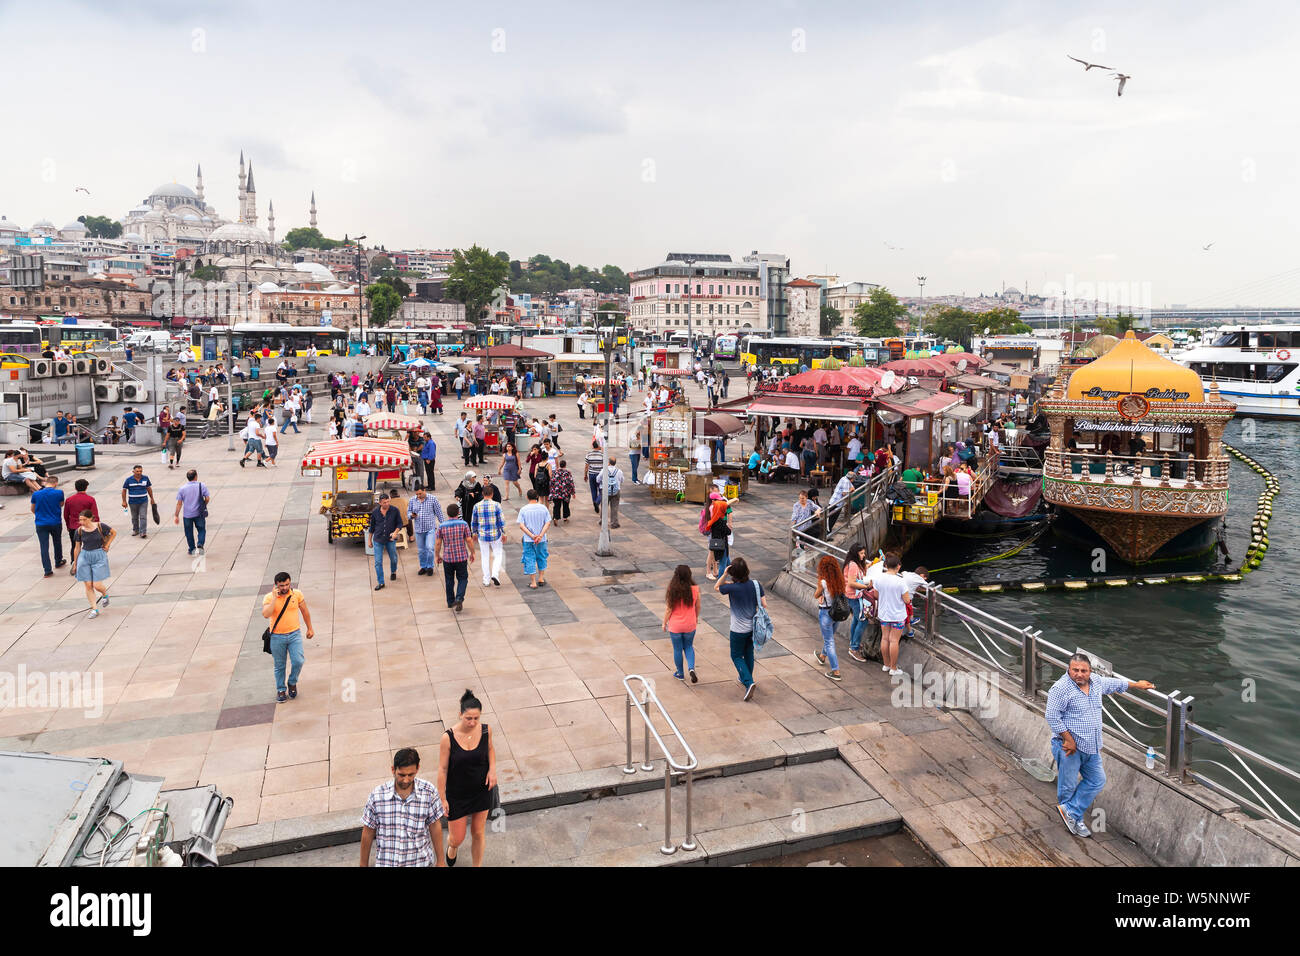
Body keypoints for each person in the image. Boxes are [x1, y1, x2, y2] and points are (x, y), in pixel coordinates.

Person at [1046, 654, 1155, 838]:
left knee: (1097, 780)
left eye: (1084, 671)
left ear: (1090, 671)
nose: (1079, 674)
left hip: (1092, 746)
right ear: (1069, 669)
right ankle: (1073, 819)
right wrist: (1068, 739)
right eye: (1075, 670)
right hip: (1069, 747)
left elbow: (1114, 684)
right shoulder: (1060, 689)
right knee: (1068, 786)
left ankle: (1070, 812)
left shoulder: (1096, 682)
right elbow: (1052, 716)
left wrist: (1136, 685)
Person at [437, 689, 497, 867]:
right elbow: (442, 769)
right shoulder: (448, 738)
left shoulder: (486, 731)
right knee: (457, 838)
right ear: (460, 715)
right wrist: (442, 798)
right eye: (468, 718)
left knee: (479, 832)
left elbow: (491, 750)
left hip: (481, 789)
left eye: (476, 718)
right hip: (457, 794)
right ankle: (452, 847)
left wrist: (492, 769)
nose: (472, 722)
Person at [360, 746, 447, 867]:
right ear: (393, 770)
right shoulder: (377, 796)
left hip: (420, 863)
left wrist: (441, 861)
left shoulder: (429, 792)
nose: (406, 780)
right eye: (401, 775)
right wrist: (363, 864)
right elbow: (368, 832)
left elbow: (435, 826)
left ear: (418, 769)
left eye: (410, 775)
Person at [716, 557, 766, 700]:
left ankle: (748, 682)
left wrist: (724, 574)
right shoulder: (756, 584)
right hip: (753, 628)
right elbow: (764, 604)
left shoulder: (731, 587)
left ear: (733, 572)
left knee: (736, 655)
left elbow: (717, 587)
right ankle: (747, 678)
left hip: (737, 630)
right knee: (749, 653)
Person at [262, 572, 313, 702]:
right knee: (279, 665)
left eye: (287, 584)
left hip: (294, 634)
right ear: (276, 586)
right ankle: (281, 689)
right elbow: (266, 614)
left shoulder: (297, 594)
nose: (285, 588)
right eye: (281, 585)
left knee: (298, 661)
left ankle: (292, 682)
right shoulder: (268, 597)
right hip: (277, 637)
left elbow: (305, 611)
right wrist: (274, 598)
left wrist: (309, 628)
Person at [872, 552, 911, 677]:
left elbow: (876, 595)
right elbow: (907, 600)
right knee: (894, 641)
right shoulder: (901, 582)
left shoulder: (878, 578)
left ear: (886, 565)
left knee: (885, 638)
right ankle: (893, 668)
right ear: (898, 567)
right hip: (897, 615)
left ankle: (886, 664)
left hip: (884, 613)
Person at [71, 509, 115, 618]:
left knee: (97, 585)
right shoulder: (79, 531)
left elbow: (114, 533)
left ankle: (105, 595)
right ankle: (94, 609)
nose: (82, 522)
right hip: (84, 557)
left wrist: (108, 544)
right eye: (80, 520)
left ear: (90, 518)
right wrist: (75, 563)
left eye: (84, 520)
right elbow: (77, 548)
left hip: (99, 555)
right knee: (88, 585)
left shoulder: (100, 526)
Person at [662, 565, 701, 683]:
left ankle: (680, 672)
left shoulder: (672, 589)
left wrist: (664, 623)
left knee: (677, 649)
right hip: (690, 624)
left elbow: (669, 609)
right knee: (689, 647)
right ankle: (691, 668)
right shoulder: (695, 589)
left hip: (676, 626)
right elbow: (698, 606)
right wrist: (696, 618)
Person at [435, 502, 476, 611]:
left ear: (447, 514)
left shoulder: (442, 526)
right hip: (461, 557)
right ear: (458, 513)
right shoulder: (463, 524)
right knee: (463, 578)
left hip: (448, 558)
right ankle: (459, 597)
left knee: (449, 580)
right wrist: (473, 552)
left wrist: (437, 555)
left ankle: (450, 601)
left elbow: (438, 543)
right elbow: (468, 540)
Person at [813, 555, 846, 681]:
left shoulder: (823, 582)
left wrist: (821, 594)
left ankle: (836, 671)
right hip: (836, 613)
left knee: (829, 641)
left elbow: (816, 595)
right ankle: (822, 656)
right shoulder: (839, 580)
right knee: (830, 637)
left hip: (826, 613)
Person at [407, 482, 446, 577]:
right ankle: (423, 566)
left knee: (429, 548)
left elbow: (439, 513)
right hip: (419, 529)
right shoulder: (412, 500)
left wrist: (444, 525)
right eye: (417, 494)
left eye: (420, 493)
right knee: (421, 550)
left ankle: (430, 566)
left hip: (430, 528)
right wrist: (411, 515)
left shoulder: (433, 499)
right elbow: (408, 512)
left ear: (424, 490)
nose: (418, 496)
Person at [471, 484, 506, 587]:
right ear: (492, 494)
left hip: (482, 535)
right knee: (498, 554)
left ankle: (486, 579)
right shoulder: (496, 505)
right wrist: (504, 532)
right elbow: (501, 520)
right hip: (495, 534)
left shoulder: (477, 506)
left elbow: (474, 521)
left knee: (485, 556)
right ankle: (495, 574)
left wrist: (474, 532)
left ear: (482, 494)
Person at [32, 476, 66, 578]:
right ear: (55, 483)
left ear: (46, 482)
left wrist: (40, 515)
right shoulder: (59, 493)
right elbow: (61, 504)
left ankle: (47, 570)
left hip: (41, 523)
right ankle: (58, 561)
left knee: (44, 546)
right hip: (55, 522)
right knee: (57, 542)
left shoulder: (36, 494)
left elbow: (32, 509)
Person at [517, 489, 551, 589]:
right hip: (542, 539)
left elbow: (521, 526)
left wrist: (532, 536)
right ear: (537, 497)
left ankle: (533, 582)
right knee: (541, 557)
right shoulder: (543, 508)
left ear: (527, 497)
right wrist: (540, 535)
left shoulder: (524, 509)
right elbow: (547, 523)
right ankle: (541, 578)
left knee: (529, 558)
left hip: (528, 539)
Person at [173, 469, 210, 556]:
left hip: (187, 515)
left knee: (188, 532)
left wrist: (176, 515)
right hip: (199, 513)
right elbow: (207, 498)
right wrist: (204, 505)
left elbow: (179, 503)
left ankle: (192, 549)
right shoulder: (202, 485)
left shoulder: (182, 488)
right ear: (196, 476)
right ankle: (200, 543)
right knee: (201, 529)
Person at [370, 495, 403, 590]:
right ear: (380, 503)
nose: (387, 504)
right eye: (384, 502)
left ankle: (393, 571)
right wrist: (369, 541)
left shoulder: (394, 510)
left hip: (390, 539)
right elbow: (372, 527)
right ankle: (381, 582)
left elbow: (399, 523)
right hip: (378, 540)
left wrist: (395, 532)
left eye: (388, 501)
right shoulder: (375, 512)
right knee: (378, 562)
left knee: (393, 558)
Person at [843, 545, 870, 663]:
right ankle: (854, 648)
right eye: (862, 553)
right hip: (854, 596)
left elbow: (860, 572)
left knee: (856, 619)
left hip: (851, 596)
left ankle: (853, 643)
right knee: (863, 620)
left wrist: (874, 563)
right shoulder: (853, 565)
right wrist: (866, 586)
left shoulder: (852, 563)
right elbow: (851, 583)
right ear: (856, 553)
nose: (864, 556)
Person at [63, 478, 99, 545]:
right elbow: (95, 515)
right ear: (86, 487)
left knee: (74, 546)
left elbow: (66, 515)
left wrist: (68, 526)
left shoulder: (69, 500)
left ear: (75, 488)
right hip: (87, 527)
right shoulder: (91, 499)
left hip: (73, 526)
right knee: (89, 546)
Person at [549, 458, 575, 524]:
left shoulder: (555, 472)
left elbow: (552, 482)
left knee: (557, 505)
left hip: (556, 492)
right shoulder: (568, 472)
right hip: (565, 492)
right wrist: (573, 492)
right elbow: (571, 483)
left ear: (560, 465)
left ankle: (556, 518)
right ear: (565, 465)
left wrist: (551, 492)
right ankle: (565, 518)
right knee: (566, 505)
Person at [582, 440, 604, 514]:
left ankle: (595, 503)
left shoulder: (589, 454)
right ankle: (597, 502)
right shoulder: (602, 454)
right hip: (600, 475)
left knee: (593, 490)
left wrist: (585, 475)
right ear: (598, 446)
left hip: (591, 474)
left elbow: (586, 466)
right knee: (602, 490)